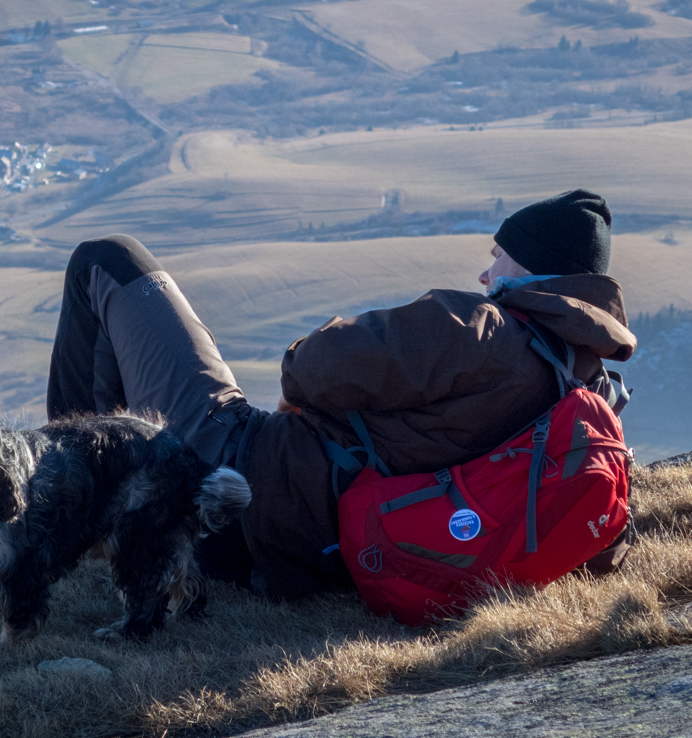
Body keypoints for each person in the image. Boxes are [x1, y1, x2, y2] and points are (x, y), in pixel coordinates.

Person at [42, 190, 640, 600]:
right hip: (328, 558)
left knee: (108, 261)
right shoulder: (586, 390)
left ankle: (56, 514)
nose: (486, 276)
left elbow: (308, 369)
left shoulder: (481, 331)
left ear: (533, 270)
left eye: (498, 258)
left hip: (232, 487)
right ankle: (105, 514)